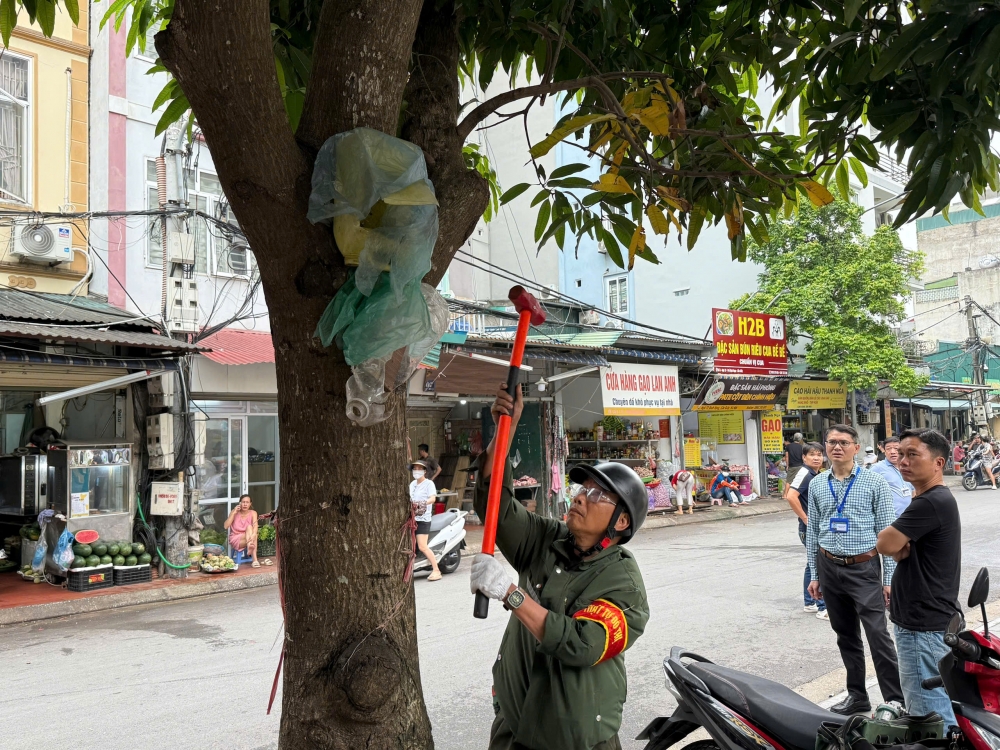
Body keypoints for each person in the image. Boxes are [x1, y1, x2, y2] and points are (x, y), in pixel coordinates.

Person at [471, 382, 649, 750]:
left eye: (598, 495)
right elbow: (495, 506)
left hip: (575, 738)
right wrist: (505, 430)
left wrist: (511, 594)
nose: (581, 497)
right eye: (582, 489)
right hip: (514, 726)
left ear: (620, 522)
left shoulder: (624, 583)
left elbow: (582, 644)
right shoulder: (546, 538)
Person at [805, 423, 905, 716]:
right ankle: (857, 696)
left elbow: (887, 533)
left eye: (844, 442)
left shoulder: (874, 483)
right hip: (829, 566)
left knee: (877, 634)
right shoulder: (817, 484)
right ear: (825, 447)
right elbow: (814, 531)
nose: (837, 447)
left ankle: (894, 699)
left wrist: (888, 578)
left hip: (864, 568)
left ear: (856, 448)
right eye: (832, 442)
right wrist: (814, 573)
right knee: (845, 635)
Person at [876, 429, 961, 728]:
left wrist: (897, 547)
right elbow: (894, 546)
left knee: (929, 717)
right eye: (901, 454)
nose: (903, 461)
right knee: (939, 704)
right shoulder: (928, 497)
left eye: (914, 455)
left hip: (921, 625)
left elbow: (884, 544)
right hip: (931, 619)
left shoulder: (930, 502)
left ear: (938, 463)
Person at [785, 442, 827, 618]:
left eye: (819, 454)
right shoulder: (804, 473)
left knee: (812, 564)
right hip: (809, 528)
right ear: (804, 457)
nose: (816, 458)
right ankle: (822, 606)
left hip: (813, 527)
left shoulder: (814, 473)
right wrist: (805, 518)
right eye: (812, 455)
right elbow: (790, 496)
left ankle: (810, 603)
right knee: (819, 565)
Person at [410, 459, 442, 581]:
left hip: (423, 519)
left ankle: (436, 570)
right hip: (412, 519)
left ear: (424, 471)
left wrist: (421, 503)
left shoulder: (429, 484)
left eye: (419, 469)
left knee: (423, 546)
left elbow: (433, 499)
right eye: (415, 469)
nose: (417, 471)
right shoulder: (412, 484)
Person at [869, 436, 915, 518]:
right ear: (884, 451)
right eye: (888, 449)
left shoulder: (909, 467)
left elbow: (913, 492)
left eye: (896, 448)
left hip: (908, 518)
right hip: (889, 519)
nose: (892, 452)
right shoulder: (877, 468)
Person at [224, 494, 262, 568]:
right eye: (243, 502)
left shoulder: (253, 513)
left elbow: (255, 525)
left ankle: (250, 547)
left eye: (247, 502)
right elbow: (225, 526)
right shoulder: (234, 512)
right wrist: (234, 513)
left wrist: (254, 533)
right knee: (252, 533)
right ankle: (254, 560)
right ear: (240, 503)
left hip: (249, 536)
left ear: (250, 504)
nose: (245, 504)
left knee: (250, 528)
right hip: (236, 538)